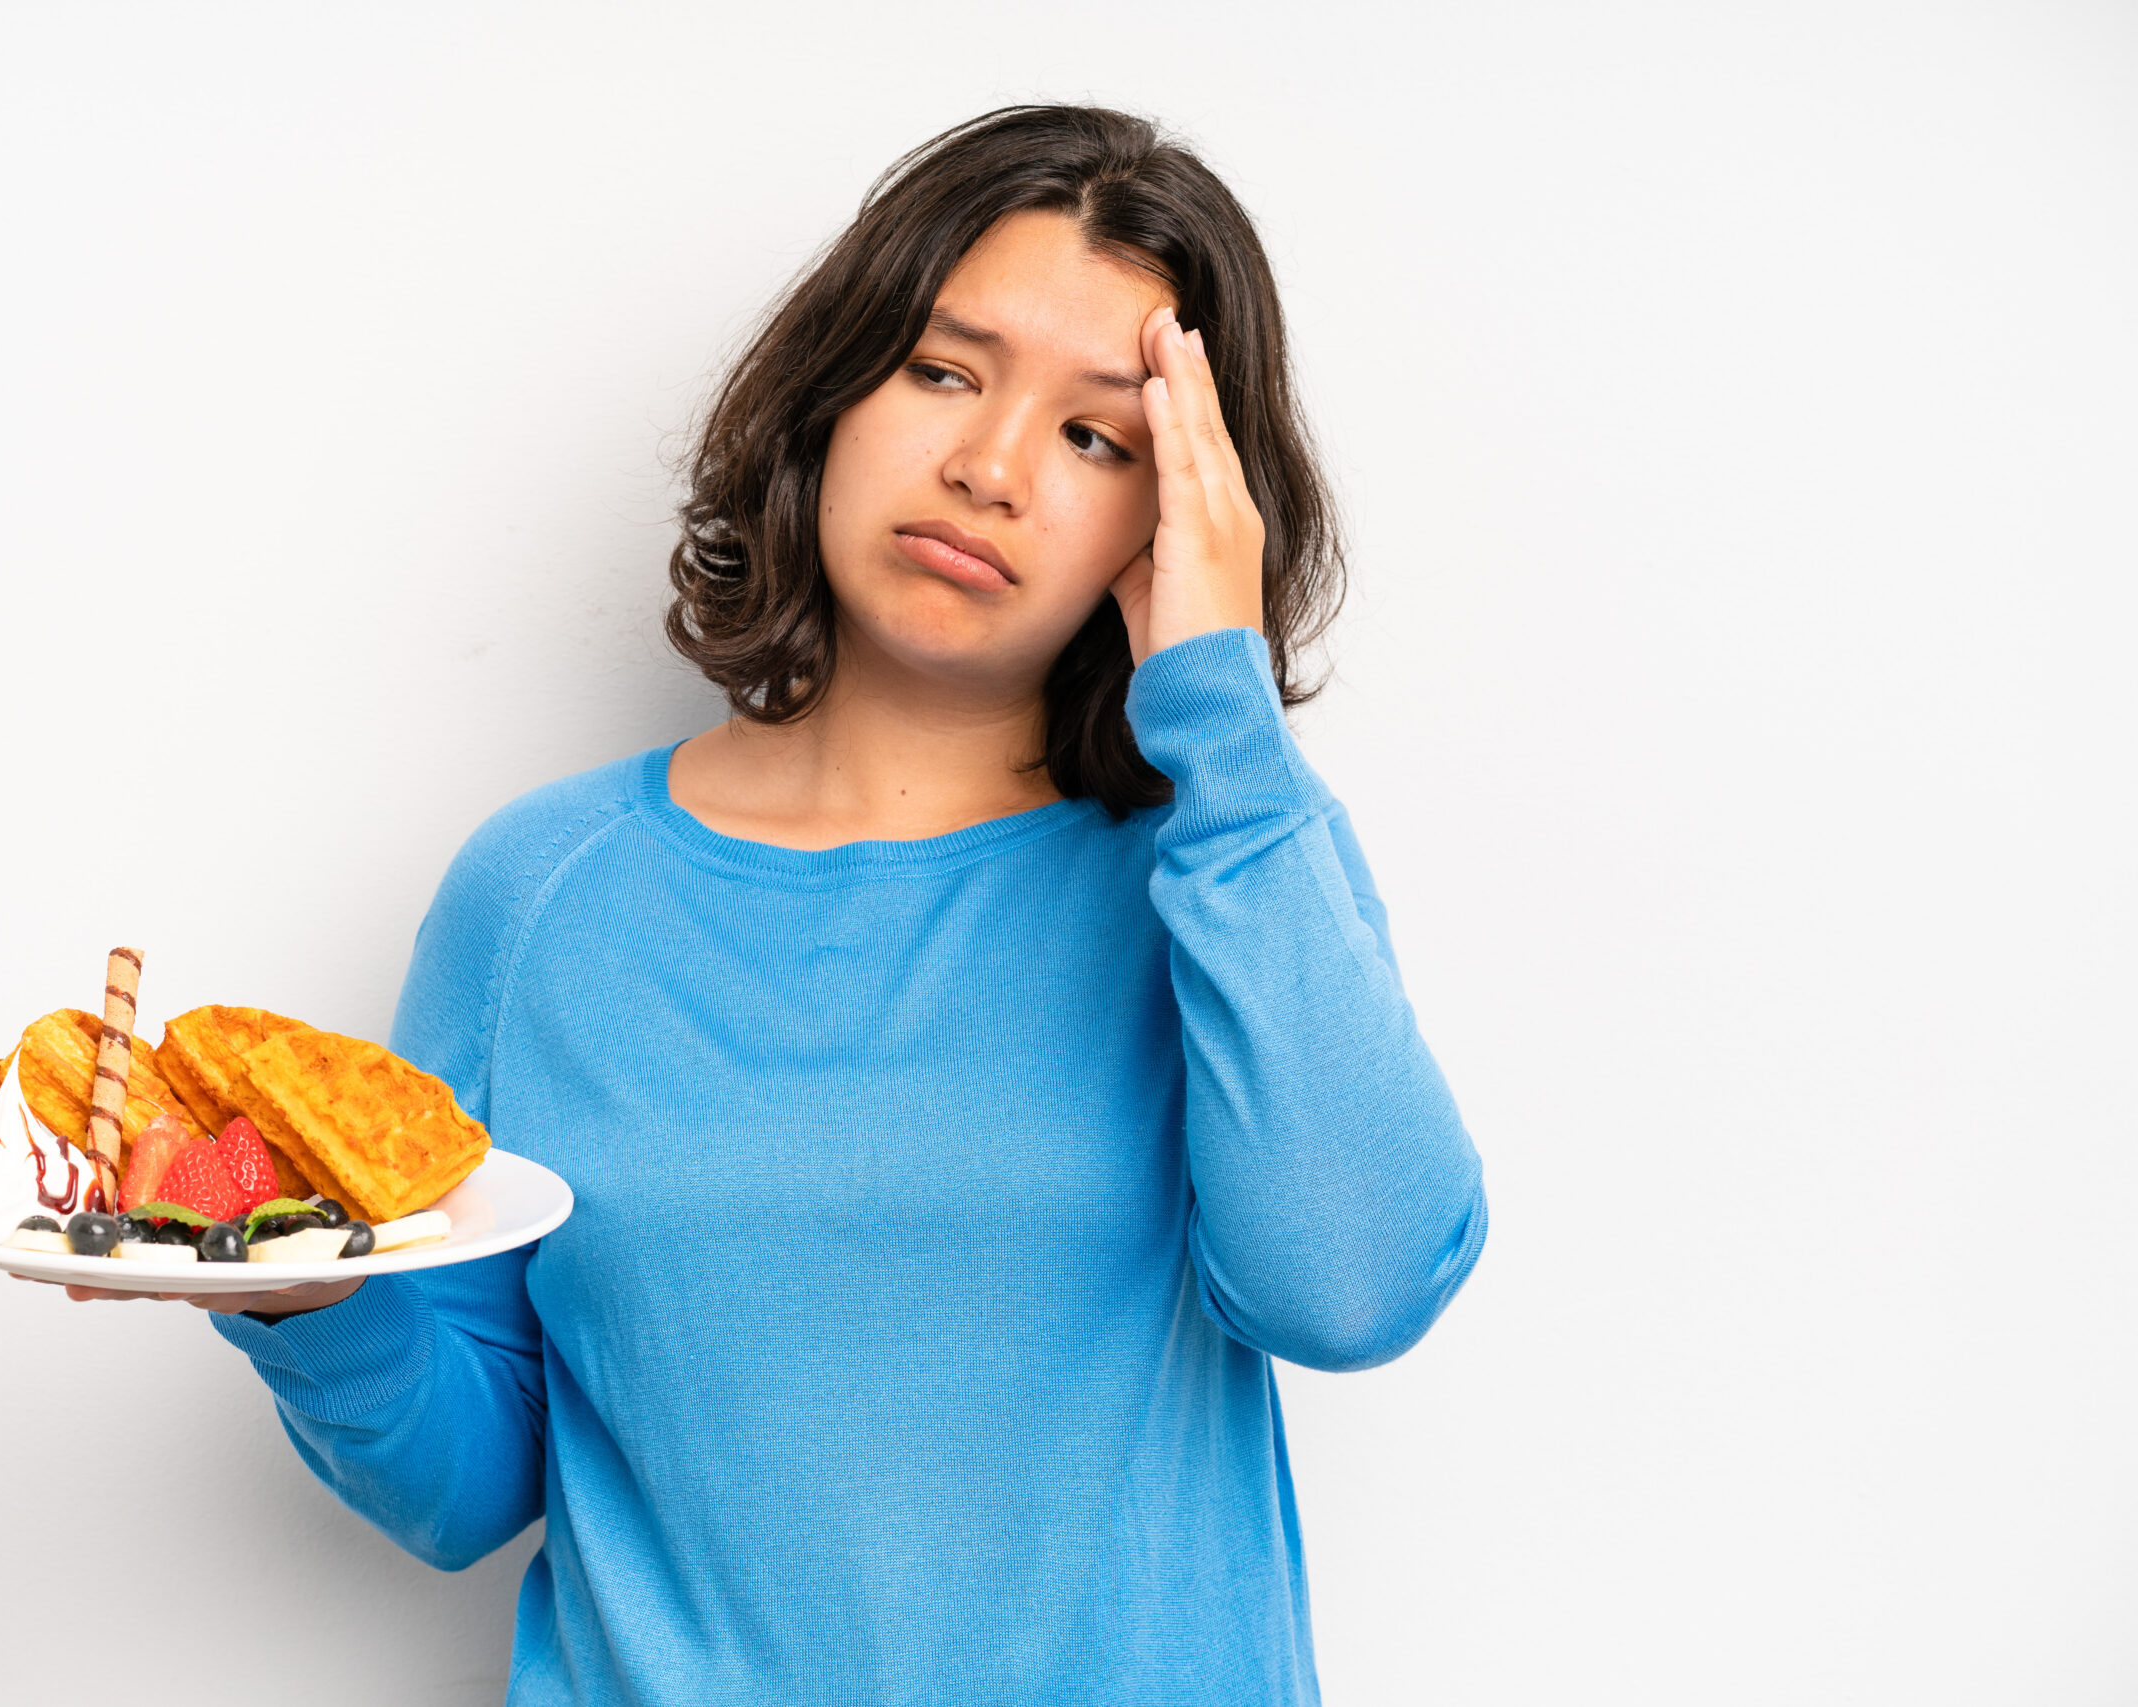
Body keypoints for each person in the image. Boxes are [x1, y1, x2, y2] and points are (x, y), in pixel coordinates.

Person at [81, 105, 1487, 1705]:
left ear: (1178, 517)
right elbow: (468, 1486)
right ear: (832, 389)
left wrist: (1222, 717)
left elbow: (1353, 1289)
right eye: (944, 371)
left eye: (1096, 437)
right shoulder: (545, 897)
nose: (989, 466)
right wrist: (297, 1284)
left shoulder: (1230, 873)